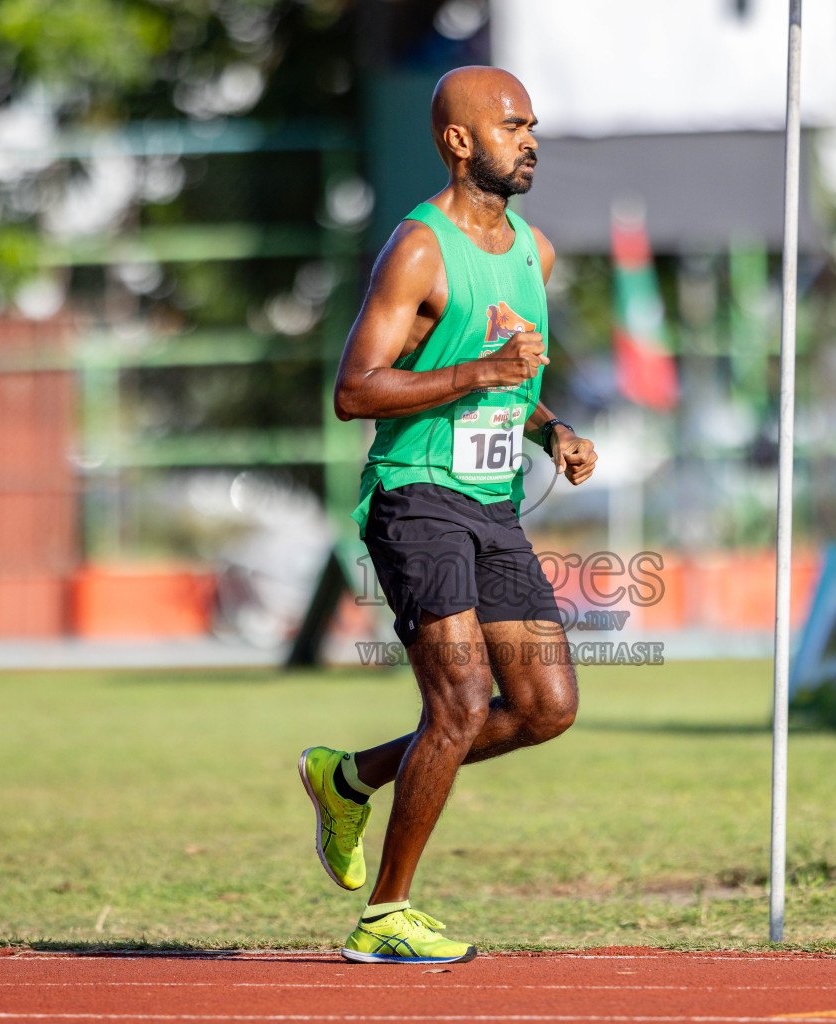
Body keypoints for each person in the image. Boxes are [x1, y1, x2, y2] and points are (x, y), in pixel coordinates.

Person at [299, 66, 599, 965]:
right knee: (462, 702)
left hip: (495, 507)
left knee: (545, 707)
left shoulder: (533, 253)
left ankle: (348, 779)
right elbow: (356, 390)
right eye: (512, 126)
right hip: (416, 499)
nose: (531, 140)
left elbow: (513, 382)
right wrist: (479, 376)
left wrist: (552, 432)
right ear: (460, 141)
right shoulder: (420, 249)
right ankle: (386, 914)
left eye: (534, 125)